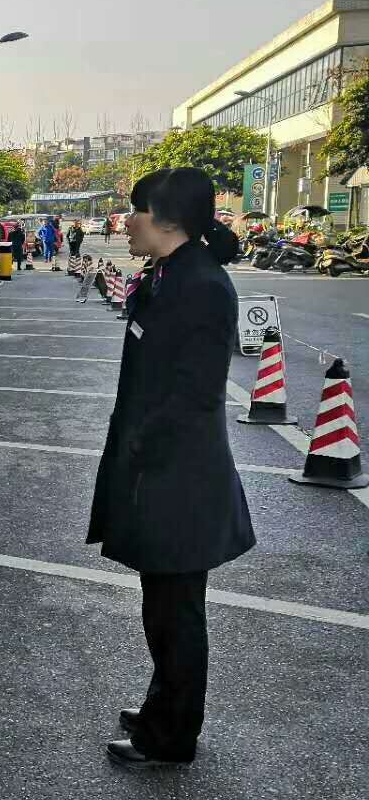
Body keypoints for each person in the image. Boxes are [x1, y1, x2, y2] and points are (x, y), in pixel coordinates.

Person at [88, 167, 255, 769]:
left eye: (135, 211)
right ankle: (163, 707)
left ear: (168, 219)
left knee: (176, 611)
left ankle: (172, 735)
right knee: (162, 606)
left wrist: (142, 446)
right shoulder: (169, 273)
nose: (125, 222)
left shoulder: (201, 285)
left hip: (178, 476)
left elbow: (196, 393)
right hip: (158, 468)